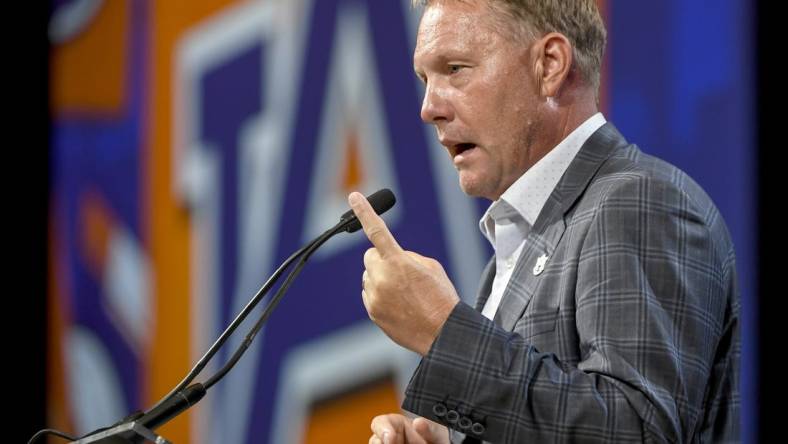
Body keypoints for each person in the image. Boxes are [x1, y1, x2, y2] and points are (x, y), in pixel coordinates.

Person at [348, 0, 740, 442]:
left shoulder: (638, 200)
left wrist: (443, 331)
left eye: (455, 69)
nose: (428, 107)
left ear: (549, 65)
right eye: (425, 79)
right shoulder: (515, 249)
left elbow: (637, 431)